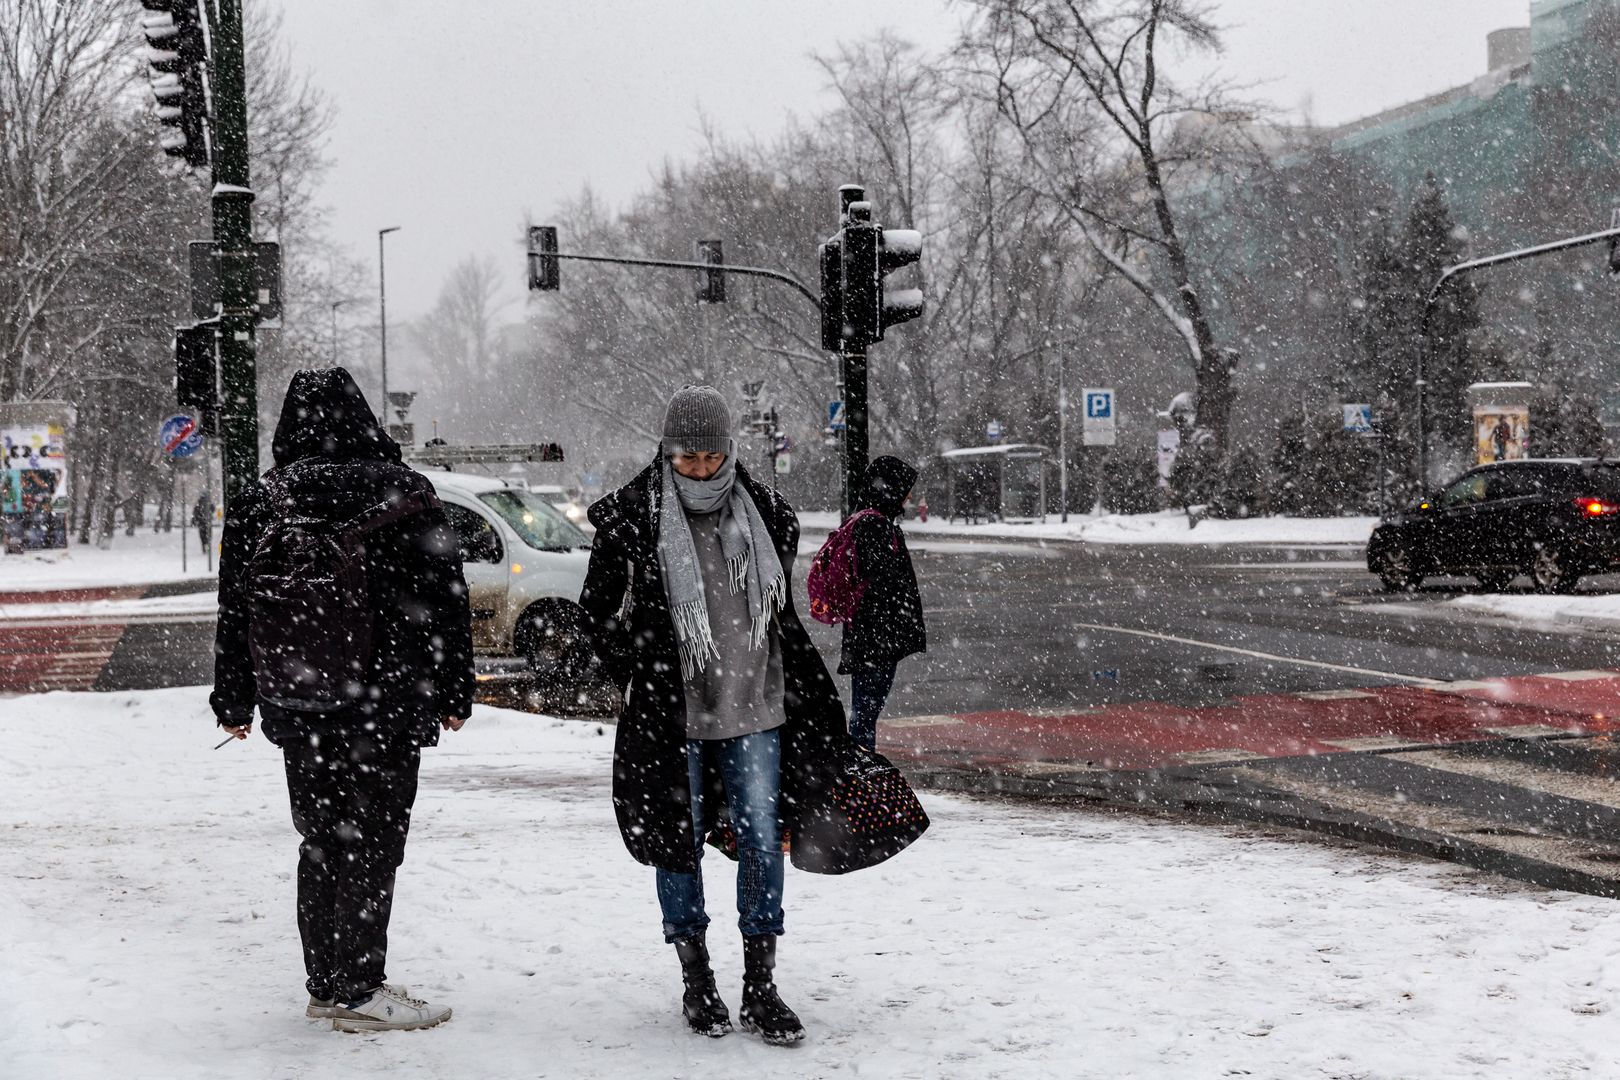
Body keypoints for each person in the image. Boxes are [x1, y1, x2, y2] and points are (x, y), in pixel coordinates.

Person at [579, 384, 850, 1046]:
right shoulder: (633, 519)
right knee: (678, 841)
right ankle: (696, 977)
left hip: (756, 706)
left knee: (763, 837)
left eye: (710, 457)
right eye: (686, 457)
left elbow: (778, 615)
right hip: (675, 717)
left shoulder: (766, 515)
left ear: (729, 451)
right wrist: (637, 670)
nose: (699, 469)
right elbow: (596, 613)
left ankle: (760, 985)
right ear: (667, 451)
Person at [210, 367, 473, 1034]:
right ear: (364, 418)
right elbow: (447, 602)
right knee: (376, 840)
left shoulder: (259, 502)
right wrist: (454, 689)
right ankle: (361, 987)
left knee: (322, 840)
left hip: (300, 703)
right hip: (385, 702)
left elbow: (235, 610)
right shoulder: (407, 495)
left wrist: (235, 699)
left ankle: (328, 982)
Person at [840, 456, 925, 752]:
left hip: (873, 639)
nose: (909, 496)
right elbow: (881, 585)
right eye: (905, 488)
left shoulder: (874, 522)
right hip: (876, 641)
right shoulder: (875, 527)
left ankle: (862, 767)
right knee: (865, 715)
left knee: (865, 712)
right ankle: (862, 772)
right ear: (890, 489)